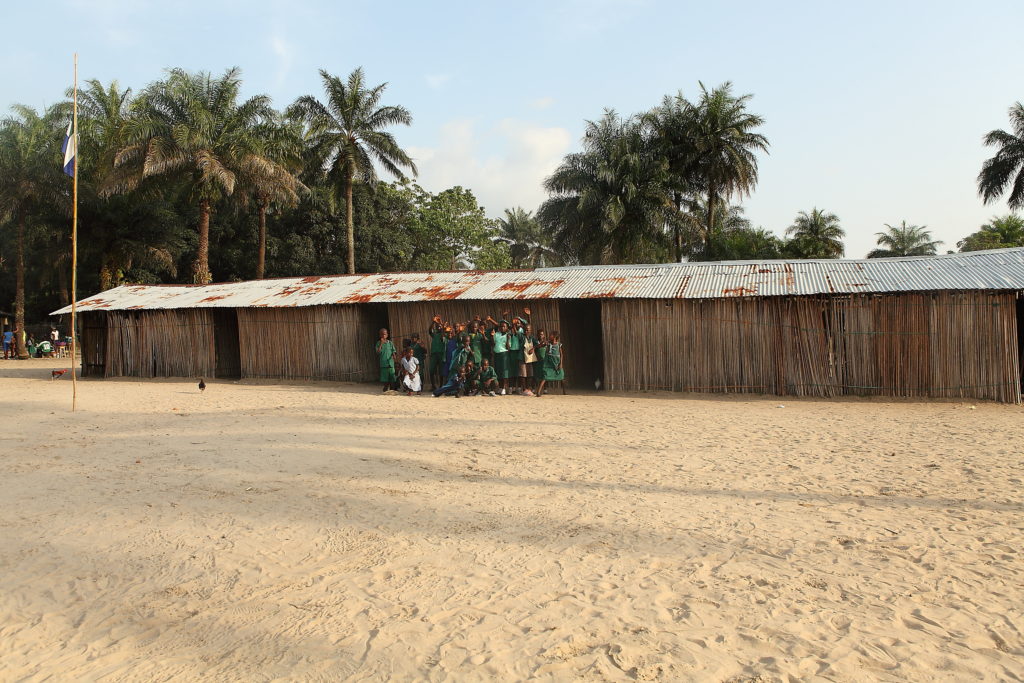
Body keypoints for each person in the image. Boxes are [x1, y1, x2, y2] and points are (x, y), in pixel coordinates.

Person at [536, 330, 565, 397]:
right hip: (549, 362)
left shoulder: (558, 344)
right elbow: (540, 345)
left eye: (551, 335)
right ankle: (538, 392)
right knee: (545, 376)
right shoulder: (548, 343)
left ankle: (564, 391)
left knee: (561, 375)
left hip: (556, 362)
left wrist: (561, 364)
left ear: (554, 337)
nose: (549, 336)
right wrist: (538, 346)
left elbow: (561, 354)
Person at [491, 319, 511, 395]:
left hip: (504, 355)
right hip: (497, 354)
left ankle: (503, 388)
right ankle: (499, 387)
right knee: (498, 371)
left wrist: (508, 339)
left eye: (504, 326)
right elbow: (493, 344)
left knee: (504, 372)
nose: (502, 328)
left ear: (506, 328)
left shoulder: (508, 335)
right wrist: (492, 336)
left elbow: (508, 348)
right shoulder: (496, 334)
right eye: (501, 326)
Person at [428, 317, 446, 390]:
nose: (438, 327)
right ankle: (433, 386)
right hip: (434, 354)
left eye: (440, 326)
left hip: (441, 354)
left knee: (441, 371)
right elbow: (429, 330)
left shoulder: (444, 334)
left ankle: (441, 386)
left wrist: (442, 327)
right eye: (437, 326)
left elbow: (442, 338)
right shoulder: (434, 334)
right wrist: (433, 322)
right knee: (431, 370)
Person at [523, 323, 538, 395]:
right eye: (525, 330)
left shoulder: (532, 338)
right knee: (523, 375)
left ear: (530, 330)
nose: (526, 332)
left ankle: (529, 388)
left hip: (530, 359)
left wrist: (533, 348)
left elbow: (537, 344)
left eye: (528, 330)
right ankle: (524, 389)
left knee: (530, 374)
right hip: (523, 358)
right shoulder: (522, 337)